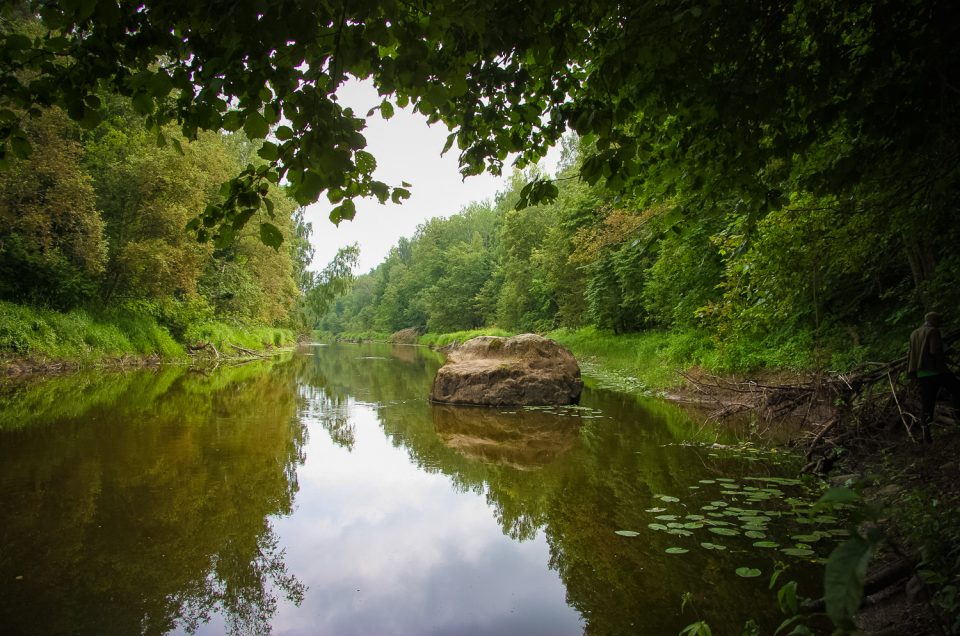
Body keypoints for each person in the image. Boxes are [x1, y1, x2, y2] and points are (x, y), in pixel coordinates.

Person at [907, 312, 960, 442]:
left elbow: (912, 353)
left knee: (927, 401)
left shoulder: (914, 333)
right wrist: (947, 354)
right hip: (936, 370)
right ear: (935, 321)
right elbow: (935, 351)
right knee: (958, 390)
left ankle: (926, 430)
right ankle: (958, 417)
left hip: (921, 373)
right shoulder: (933, 331)